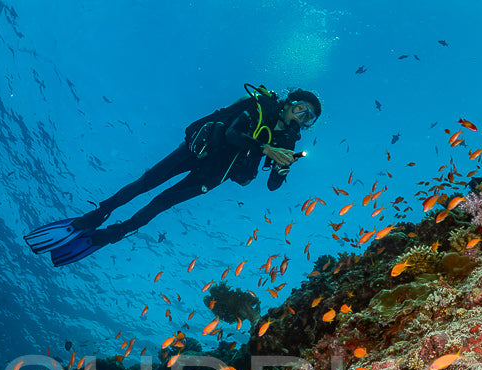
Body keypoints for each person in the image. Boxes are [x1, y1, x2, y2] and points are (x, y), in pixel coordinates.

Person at [25, 85, 320, 266]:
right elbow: (231, 135)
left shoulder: (289, 143)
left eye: (308, 117)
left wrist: (282, 169)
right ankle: (92, 218)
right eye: (300, 108)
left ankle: (110, 235)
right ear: (288, 102)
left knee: (161, 204)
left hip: (213, 175)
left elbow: (271, 185)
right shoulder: (260, 106)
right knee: (144, 184)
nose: (300, 117)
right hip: (197, 151)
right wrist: (266, 148)